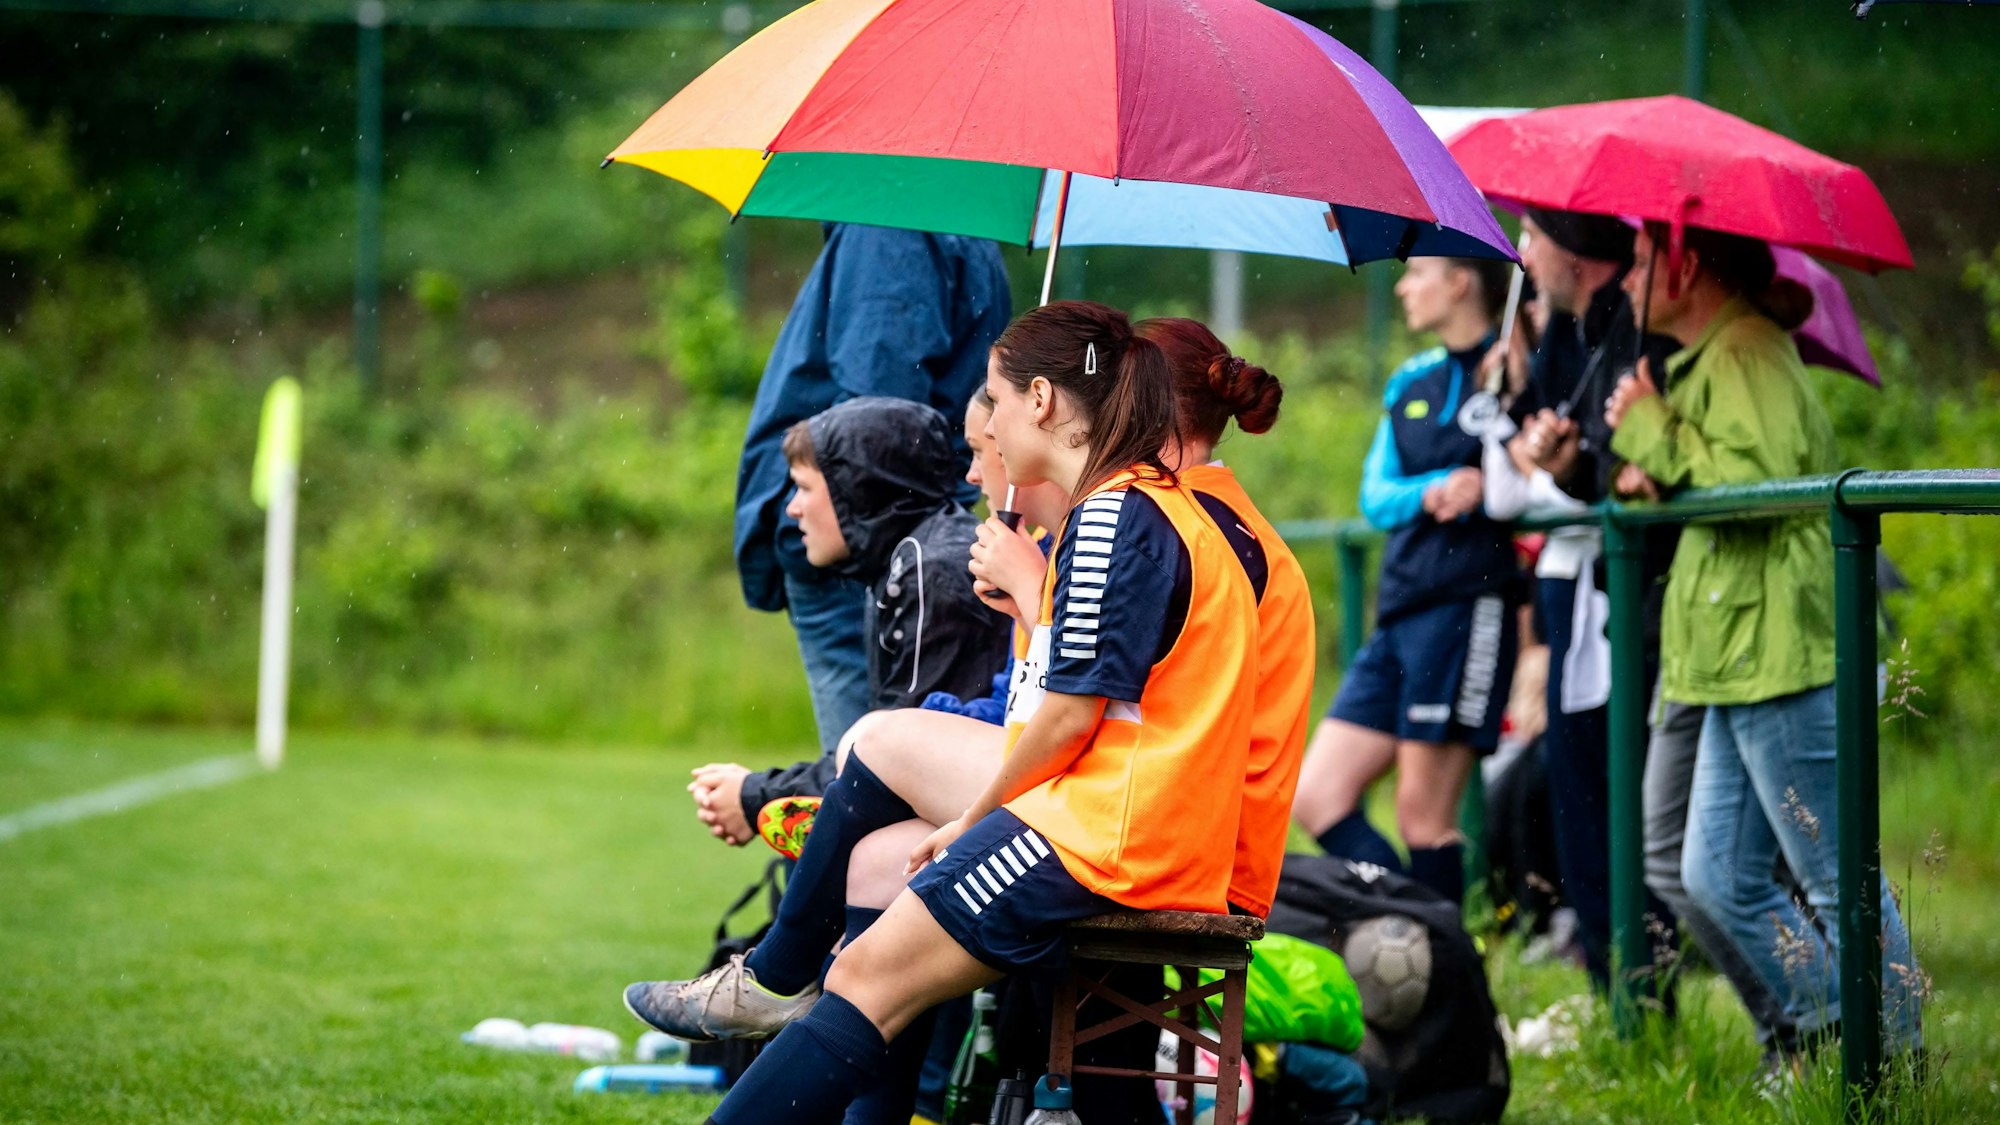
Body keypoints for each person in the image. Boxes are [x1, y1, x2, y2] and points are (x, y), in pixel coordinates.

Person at [628, 316, 1309, 1121]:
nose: (985, 421)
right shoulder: (1152, 508)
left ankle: (775, 976)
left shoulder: (1117, 515)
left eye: (995, 396)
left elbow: (1067, 719)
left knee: (867, 975)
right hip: (1128, 827)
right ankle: (777, 977)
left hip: (1110, 840)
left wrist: (977, 819)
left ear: (1044, 399)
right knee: (871, 960)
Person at [1605, 222, 1921, 1071]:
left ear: (1686, 264)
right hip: (1738, 652)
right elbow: (1724, 471)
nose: (1627, 276)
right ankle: (1833, 1032)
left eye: (1639, 260)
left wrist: (1647, 430)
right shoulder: (1714, 356)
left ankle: (1890, 1058)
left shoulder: (1743, 349)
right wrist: (1656, 458)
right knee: (1713, 877)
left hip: (1777, 645)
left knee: (1831, 874)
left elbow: (1760, 487)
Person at [1480, 208, 1686, 995]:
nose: (1523, 256)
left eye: (1532, 237)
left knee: (1615, 799)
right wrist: (1537, 424)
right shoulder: (1568, 328)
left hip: (1630, 593)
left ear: (1575, 251)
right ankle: (1618, 997)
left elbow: (1628, 472)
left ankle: (1641, 995)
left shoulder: (1643, 335)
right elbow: (1576, 460)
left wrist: (1570, 466)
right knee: (1579, 795)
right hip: (1578, 590)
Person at [1291, 255, 1519, 906]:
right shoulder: (1410, 379)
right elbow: (1375, 495)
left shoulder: (1516, 367)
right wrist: (1435, 489)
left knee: (1424, 816)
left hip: (1465, 605)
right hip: (1402, 608)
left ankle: (1447, 982)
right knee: (1316, 796)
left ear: (1461, 280)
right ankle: (1412, 938)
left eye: (1418, 272)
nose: (1402, 286)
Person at [735, 224, 1011, 758]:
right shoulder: (967, 225)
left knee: (863, 779)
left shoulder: (892, 227)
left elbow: (877, 425)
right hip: (893, 545)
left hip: (861, 551)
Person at [691, 396, 1012, 848]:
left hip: (984, 826)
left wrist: (755, 796)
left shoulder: (930, 572)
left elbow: (897, 762)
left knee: (854, 858)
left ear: (856, 490)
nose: (792, 509)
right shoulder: (913, 557)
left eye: (804, 487)